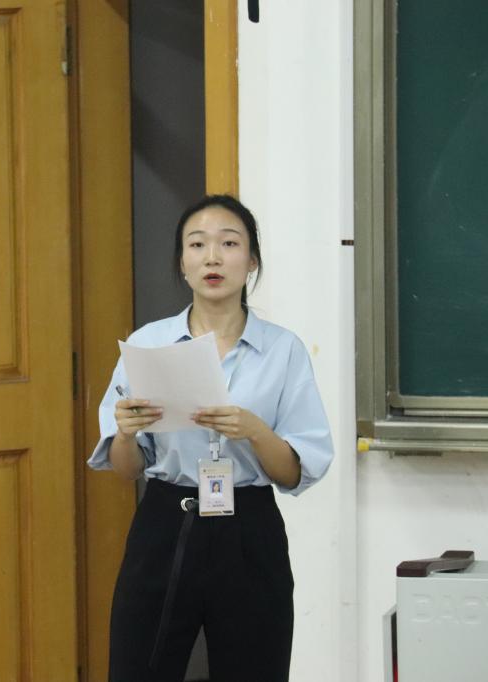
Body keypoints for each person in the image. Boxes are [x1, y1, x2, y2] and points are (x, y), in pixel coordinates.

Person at [87, 194, 334, 682]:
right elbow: (127, 470)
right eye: (197, 245)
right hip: (165, 522)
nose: (213, 258)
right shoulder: (148, 344)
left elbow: (293, 474)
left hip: (249, 529)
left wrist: (254, 431)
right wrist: (126, 434)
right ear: (182, 263)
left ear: (252, 260)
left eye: (229, 244)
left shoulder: (283, 350)